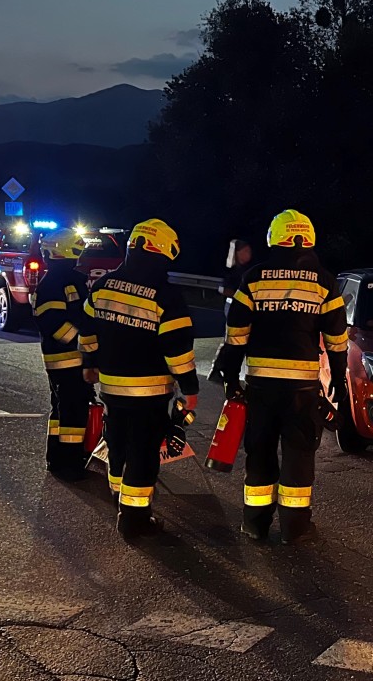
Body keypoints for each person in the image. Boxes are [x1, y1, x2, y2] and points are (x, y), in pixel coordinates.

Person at [217, 209, 347, 545]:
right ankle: (295, 528)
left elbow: (236, 335)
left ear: (274, 239)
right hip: (302, 390)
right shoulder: (324, 281)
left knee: (259, 453)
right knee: (299, 456)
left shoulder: (255, 278)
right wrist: (339, 379)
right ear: (309, 238)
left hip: (261, 387)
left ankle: (255, 524)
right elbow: (337, 339)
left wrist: (230, 377)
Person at [80, 218, 198, 540]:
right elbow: (178, 351)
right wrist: (190, 389)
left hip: (111, 388)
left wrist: (89, 364)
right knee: (143, 454)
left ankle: (118, 496)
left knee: (117, 444)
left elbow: (87, 331)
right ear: (164, 250)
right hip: (150, 393)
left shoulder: (103, 285)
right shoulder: (166, 296)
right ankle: (134, 519)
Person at [31, 228, 94, 478]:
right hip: (67, 361)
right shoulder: (54, 284)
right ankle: (70, 464)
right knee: (73, 413)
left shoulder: (65, 280)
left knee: (61, 411)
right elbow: (56, 327)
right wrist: (87, 345)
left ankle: (56, 458)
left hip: (65, 360)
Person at [208, 238, 253, 383]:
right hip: (233, 306)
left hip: (239, 307)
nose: (249, 253)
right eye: (246, 251)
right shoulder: (233, 270)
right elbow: (223, 289)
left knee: (235, 339)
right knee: (233, 339)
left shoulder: (246, 269)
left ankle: (222, 369)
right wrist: (241, 295)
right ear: (238, 253)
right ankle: (219, 369)